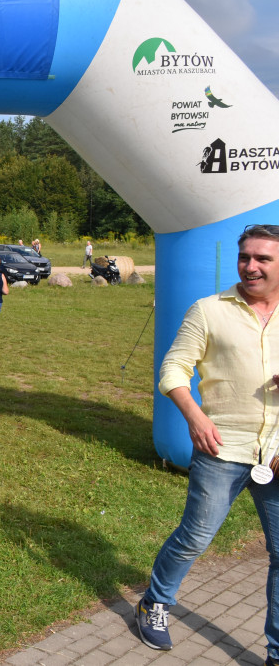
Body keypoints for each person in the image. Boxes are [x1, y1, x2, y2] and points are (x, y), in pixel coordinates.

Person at [134, 224, 279, 663]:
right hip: (221, 448)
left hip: (276, 453)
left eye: (263, 259)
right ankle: (155, 602)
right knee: (195, 537)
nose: (251, 266)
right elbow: (173, 369)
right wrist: (194, 416)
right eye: (245, 257)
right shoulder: (208, 310)